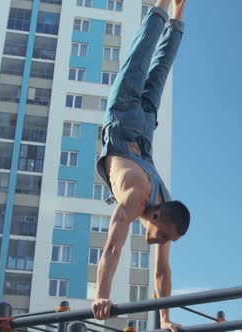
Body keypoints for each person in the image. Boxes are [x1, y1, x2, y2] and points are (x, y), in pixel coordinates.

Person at [92, 1, 190, 331]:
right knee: (141, 55)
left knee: (159, 67)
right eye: (162, 234)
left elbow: (162, 272)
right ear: (159, 216)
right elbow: (113, 246)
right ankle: (163, 6)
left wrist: (164, 318)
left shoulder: (164, 205)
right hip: (123, 119)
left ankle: (177, 14)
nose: (157, 240)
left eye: (165, 239)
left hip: (143, 132)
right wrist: (102, 295)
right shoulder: (136, 198)